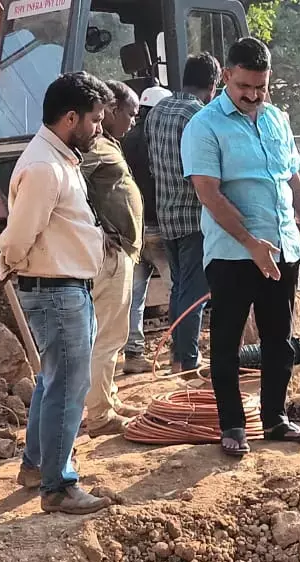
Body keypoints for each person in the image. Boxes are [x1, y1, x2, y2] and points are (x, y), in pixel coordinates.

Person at [182, 37, 300, 457]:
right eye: (244, 86)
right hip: (233, 254)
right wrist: (249, 241)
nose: (253, 95)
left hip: (283, 248)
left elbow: (292, 178)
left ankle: (275, 419)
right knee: (226, 341)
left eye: (260, 87)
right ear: (226, 77)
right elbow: (208, 193)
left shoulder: (277, 117)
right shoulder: (204, 126)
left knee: (280, 339)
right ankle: (233, 425)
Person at [2, 71, 114, 515]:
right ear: (71, 118)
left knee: (55, 383)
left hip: (62, 288)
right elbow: (16, 239)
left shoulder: (58, 159)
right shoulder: (45, 169)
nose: (99, 128)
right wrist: (18, 267)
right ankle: (59, 484)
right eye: (95, 119)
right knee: (69, 386)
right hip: (55, 290)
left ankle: (37, 466)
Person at [145, 54, 221, 376]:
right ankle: (187, 361)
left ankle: (177, 356)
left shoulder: (157, 111)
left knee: (179, 287)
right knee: (196, 292)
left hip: (166, 215)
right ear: (213, 86)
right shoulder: (200, 114)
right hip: (194, 216)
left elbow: (151, 163)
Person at [80, 80, 144, 435]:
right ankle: (100, 415)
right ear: (113, 110)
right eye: (130, 114)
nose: (133, 121)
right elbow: (70, 182)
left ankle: (108, 397)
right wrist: (97, 229)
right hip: (110, 251)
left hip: (122, 250)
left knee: (115, 334)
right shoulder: (92, 150)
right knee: (105, 336)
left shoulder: (107, 146)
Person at [122, 86, 174, 374]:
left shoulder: (126, 140)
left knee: (134, 294)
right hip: (162, 227)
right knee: (178, 289)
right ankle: (180, 351)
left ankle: (133, 354)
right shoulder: (162, 137)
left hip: (135, 229)